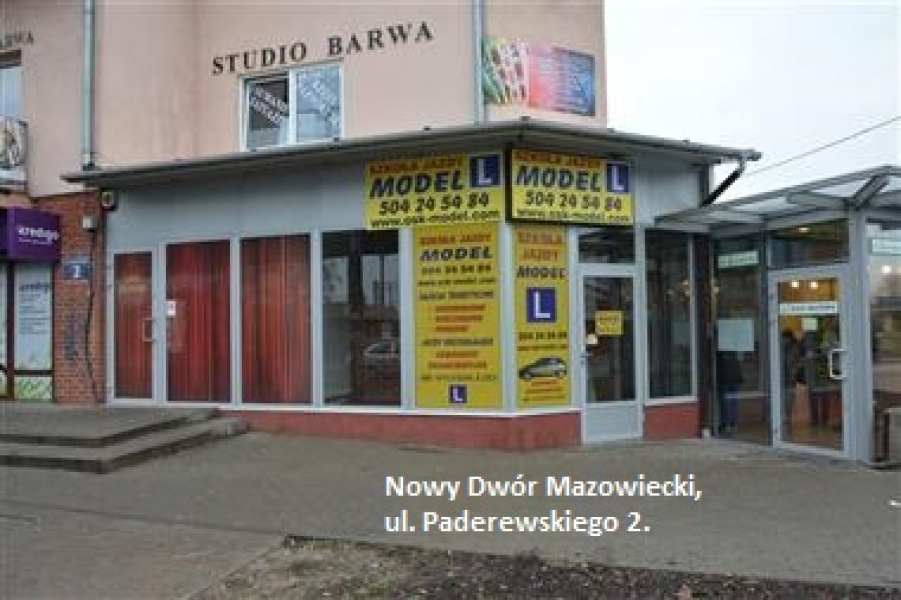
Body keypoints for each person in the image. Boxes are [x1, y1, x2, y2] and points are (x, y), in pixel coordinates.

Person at [717, 351, 743, 434]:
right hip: (734, 380)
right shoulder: (733, 354)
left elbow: (718, 369)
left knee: (726, 403)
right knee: (733, 402)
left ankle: (726, 424)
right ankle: (733, 424)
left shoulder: (720, 355)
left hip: (725, 381)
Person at [781, 329, 802, 427]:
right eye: (783, 339)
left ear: (789, 338)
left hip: (790, 377)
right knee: (783, 397)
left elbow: (799, 361)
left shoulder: (794, 348)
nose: (784, 341)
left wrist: (794, 370)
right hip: (781, 377)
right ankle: (783, 417)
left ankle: (787, 417)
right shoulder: (778, 348)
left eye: (785, 338)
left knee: (789, 398)